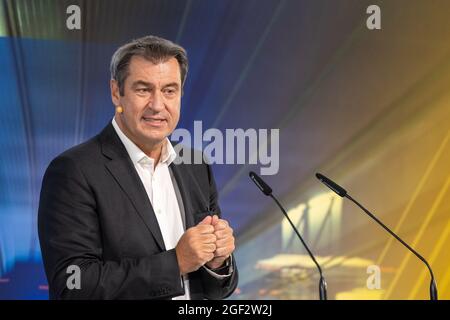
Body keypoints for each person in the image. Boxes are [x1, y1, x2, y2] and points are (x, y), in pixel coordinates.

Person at [38, 35, 238, 300]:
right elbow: (72, 286)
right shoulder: (73, 171)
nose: (157, 105)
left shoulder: (195, 165)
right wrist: (175, 262)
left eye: (169, 90)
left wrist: (218, 262)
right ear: (115, 92)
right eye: (143, 89)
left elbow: (217, 289)